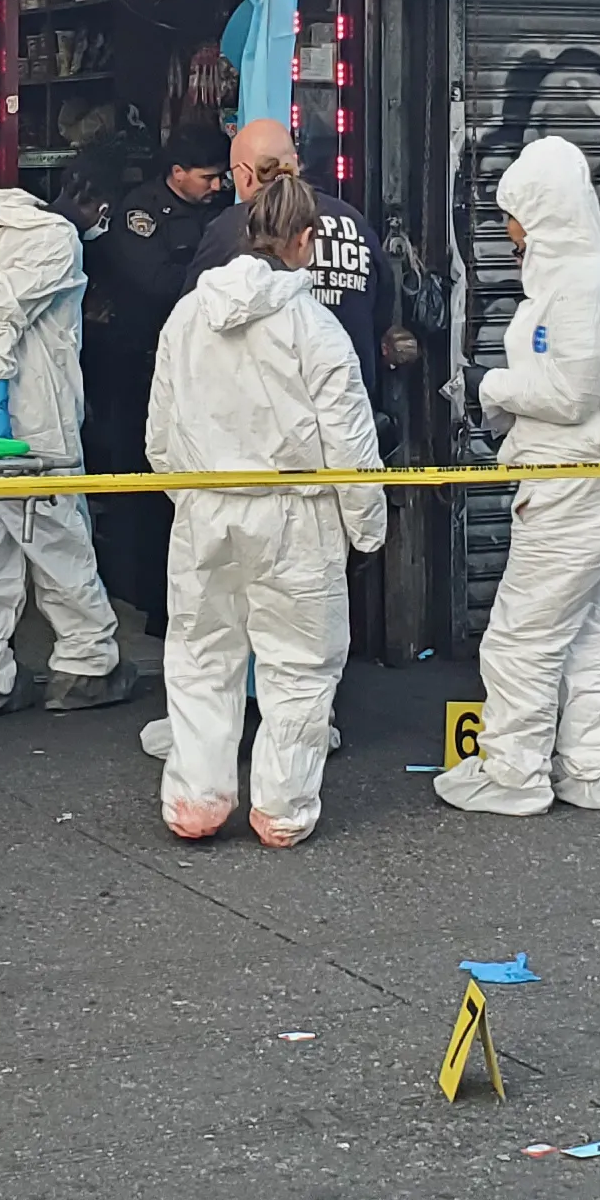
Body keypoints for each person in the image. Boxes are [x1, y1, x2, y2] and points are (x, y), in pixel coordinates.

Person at [436, 135, 600, 817]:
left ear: (538, 211)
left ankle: (512, 775)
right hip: (593, 480)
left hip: (578, 485)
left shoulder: (583, 283)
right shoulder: (588, 279)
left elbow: (570, 394)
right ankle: (595, 771)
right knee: (583, 626)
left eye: (511, 213)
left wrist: (493, 387)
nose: (505, 229)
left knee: (522, 635)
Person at [147, 174, 385, 847]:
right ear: (305, 240)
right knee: (299, 665)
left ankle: (195, 798)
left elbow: (159, 427)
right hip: (293, 513)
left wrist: (184, 491)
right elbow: (349, 438)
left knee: (199, 656)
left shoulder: (188, 315)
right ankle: (280, 809)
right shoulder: (315, 326)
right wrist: (365, 524)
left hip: (205, 507)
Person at [0, 168, 138, 715]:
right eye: (104, 211)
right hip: (27, 424)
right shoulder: (55, 240)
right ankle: (88, 660)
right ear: (88, 198)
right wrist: (1, 410)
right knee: (59, 537)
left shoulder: (14, 234)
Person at [84, 124, 232, 618]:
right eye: (208, 178)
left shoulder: (223, 214)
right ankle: (145, 593)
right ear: (176, 174)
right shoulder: (141, 214)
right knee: (144, 482)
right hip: (142, 365)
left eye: (222, 178)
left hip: (204, 369)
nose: (217, 188)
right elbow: (157, 283)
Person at [186, 117, 392, 400]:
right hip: (350, 401)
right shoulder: (354, 222)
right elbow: (381, 315)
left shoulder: (228, 229)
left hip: (266, 413)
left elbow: (193, 319)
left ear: (244, 176)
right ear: (296, 164)